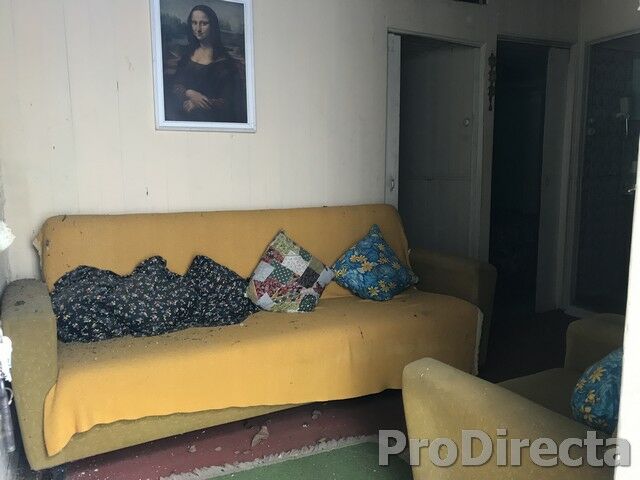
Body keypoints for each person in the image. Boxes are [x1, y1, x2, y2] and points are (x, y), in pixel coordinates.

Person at [169, 5, 246, 123]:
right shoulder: (187, 54)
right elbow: (175, 85)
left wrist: (199, 103)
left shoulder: (224, 63)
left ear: (213, 26)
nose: (198, 29)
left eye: (204, 23)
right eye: (194, 23)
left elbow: (228, 102)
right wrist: (189, 93)